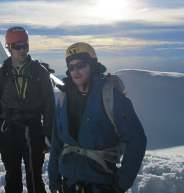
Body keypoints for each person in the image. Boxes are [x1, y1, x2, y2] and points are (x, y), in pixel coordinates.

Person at [48, 42, 147, 193]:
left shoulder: (111, 96)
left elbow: (137, 140)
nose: (76, 70)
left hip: (100, 185)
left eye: (81, 64)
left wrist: (120, 185)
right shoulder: (65, 98)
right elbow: (57, 142)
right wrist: (54, 181)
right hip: (67, 183)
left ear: (92, 65)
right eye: (71, 67)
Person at [0, 26, 55, 193]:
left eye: (25, 45)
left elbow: (49, 105)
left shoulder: (40, 72)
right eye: (17, 46)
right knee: (12, 178)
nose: (22, 50)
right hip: (8, 131)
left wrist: (48, 134)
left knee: (35, 179)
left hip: (34, 131)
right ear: (9, 48)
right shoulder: (1, 74)